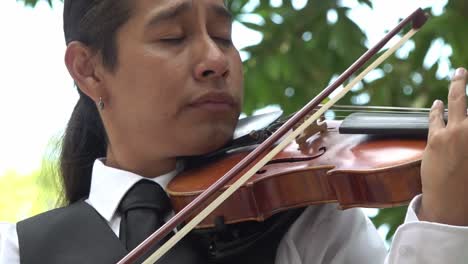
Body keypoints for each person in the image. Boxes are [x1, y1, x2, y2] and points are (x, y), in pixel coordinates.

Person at [1, 0, 468, 263]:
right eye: (173, 38)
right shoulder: (19, 251)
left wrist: (444, 223)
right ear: (89, 70)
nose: (216, 61)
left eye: (223, 36)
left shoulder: (307, 224)